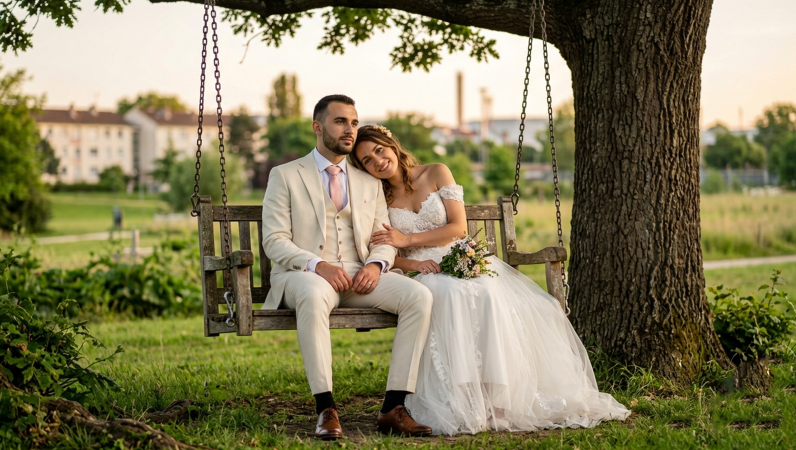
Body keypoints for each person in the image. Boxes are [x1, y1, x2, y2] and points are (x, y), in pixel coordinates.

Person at [350, 124, 631, 435]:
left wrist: (408, 237)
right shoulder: (378, 196)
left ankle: (496, 401)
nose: (377, 161)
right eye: (366, 160)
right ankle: (465, 400)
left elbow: (458, 228)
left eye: (378, 150)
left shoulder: (436, 172)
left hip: (460, 257)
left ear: (391, 144)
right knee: (444, 292)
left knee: (485, 291)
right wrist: (413, 259)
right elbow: (384, 249)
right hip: (424, 269)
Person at [260, 96, 435, 440]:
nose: (349, 130)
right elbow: (274, 240)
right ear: (318, 127)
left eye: (354, 123)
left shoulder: (367, 180)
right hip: (306, 276)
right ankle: (325, 408)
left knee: (418, 296)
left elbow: (383, 237)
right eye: (340, 121)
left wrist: (375, 263)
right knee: (312, 293)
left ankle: (393, 408)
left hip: (358, 275)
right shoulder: (285, 175)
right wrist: (317, 264)